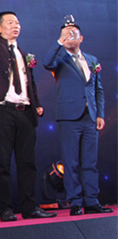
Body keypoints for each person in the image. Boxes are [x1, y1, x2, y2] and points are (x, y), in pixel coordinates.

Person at [0, 0, 56, 221]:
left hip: (25, 112)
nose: (15, 26)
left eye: (17, 22)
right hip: (2, 110)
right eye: (10, 23)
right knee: (2, 162)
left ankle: (30, 207)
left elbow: (29, 81)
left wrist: (36, 104)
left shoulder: (23, 53)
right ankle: (5, 208)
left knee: (27, 162)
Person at [43, 22, 112, 215]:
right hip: (69, 117)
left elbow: (97, 89)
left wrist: (100, 114)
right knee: (71, 162)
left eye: (74, 34)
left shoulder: (91, 60)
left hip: (90, 117)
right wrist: (59, 41)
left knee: (90, 162)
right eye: (66, 35)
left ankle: (92, 201)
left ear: (81, 38)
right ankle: (74, 202)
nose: (70, 37)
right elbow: (46, 62)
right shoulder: (60, 59)